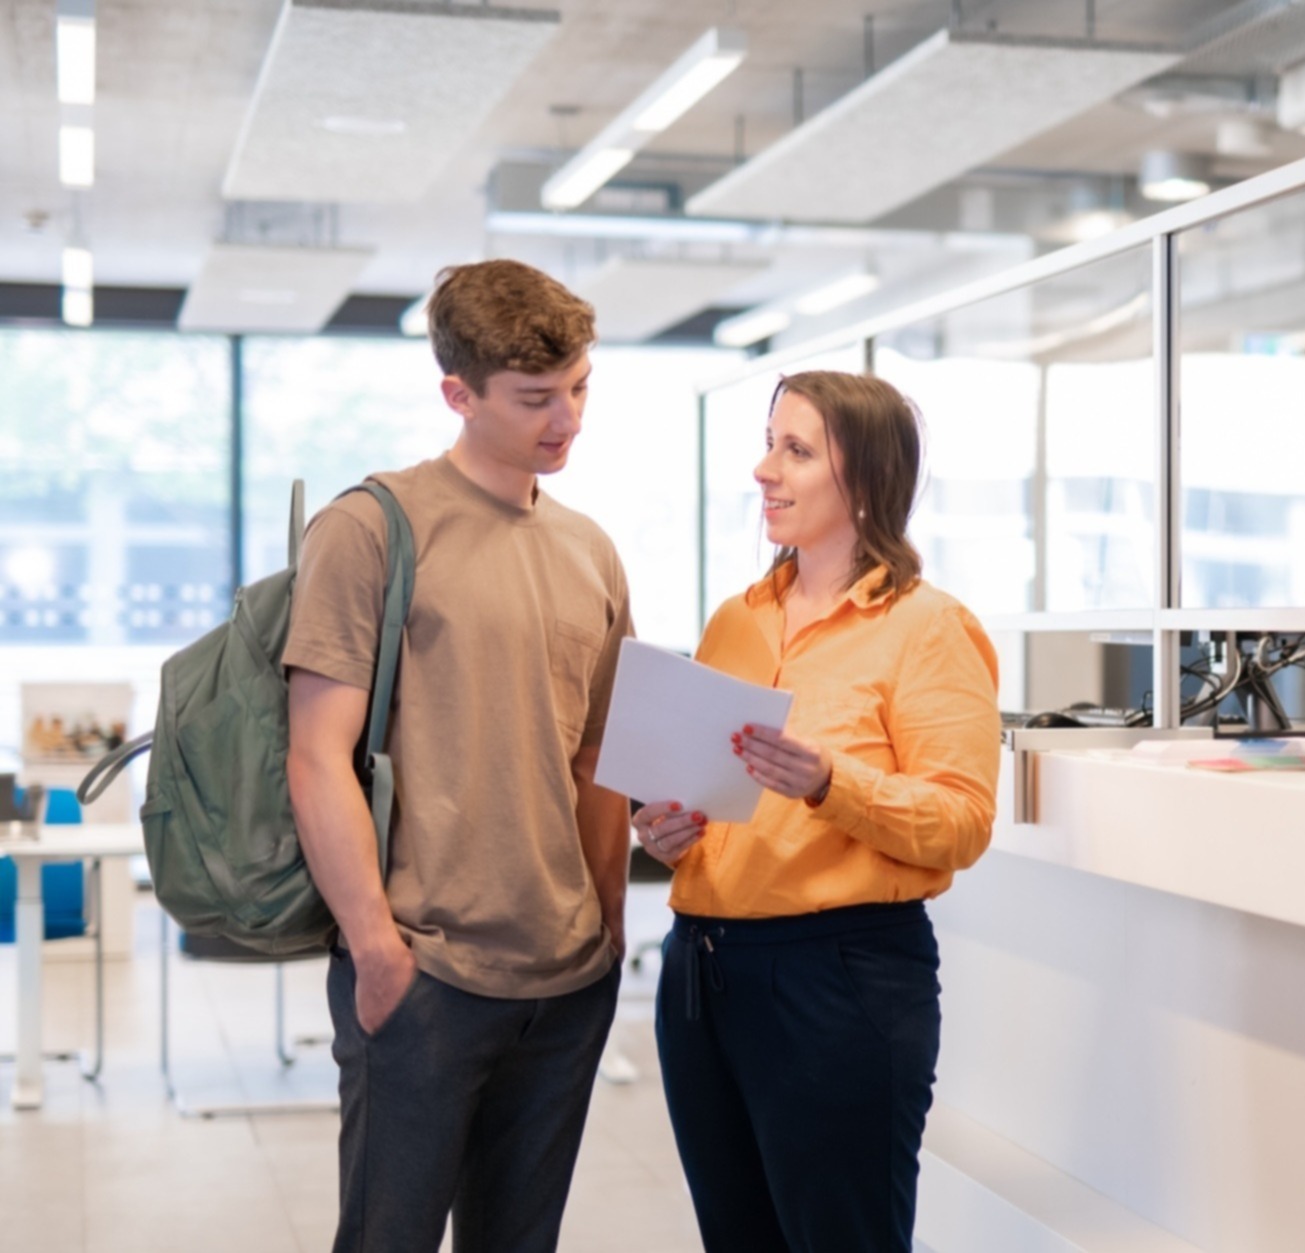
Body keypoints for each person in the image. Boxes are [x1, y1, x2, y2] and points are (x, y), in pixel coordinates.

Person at [284, 259, 632, 1253]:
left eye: (577, 388)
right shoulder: (371, 528)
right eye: (534, 398)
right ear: (457, 392)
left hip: (565, 981)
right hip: (424, 970)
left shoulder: (591, 549)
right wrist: (375, 948)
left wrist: (607, 922)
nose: (565, 418)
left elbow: (597, 749)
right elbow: (318, 753)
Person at [632, 370, 1001, 1252]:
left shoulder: (928, 627)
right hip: (701, 973)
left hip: (838, 981)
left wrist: (831, 782)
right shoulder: (737, 619)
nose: (766, 469)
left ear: (866, 482)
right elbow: (710, 801)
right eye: (769, 443)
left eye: (796, 450)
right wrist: (669, 832)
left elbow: (963, 820)